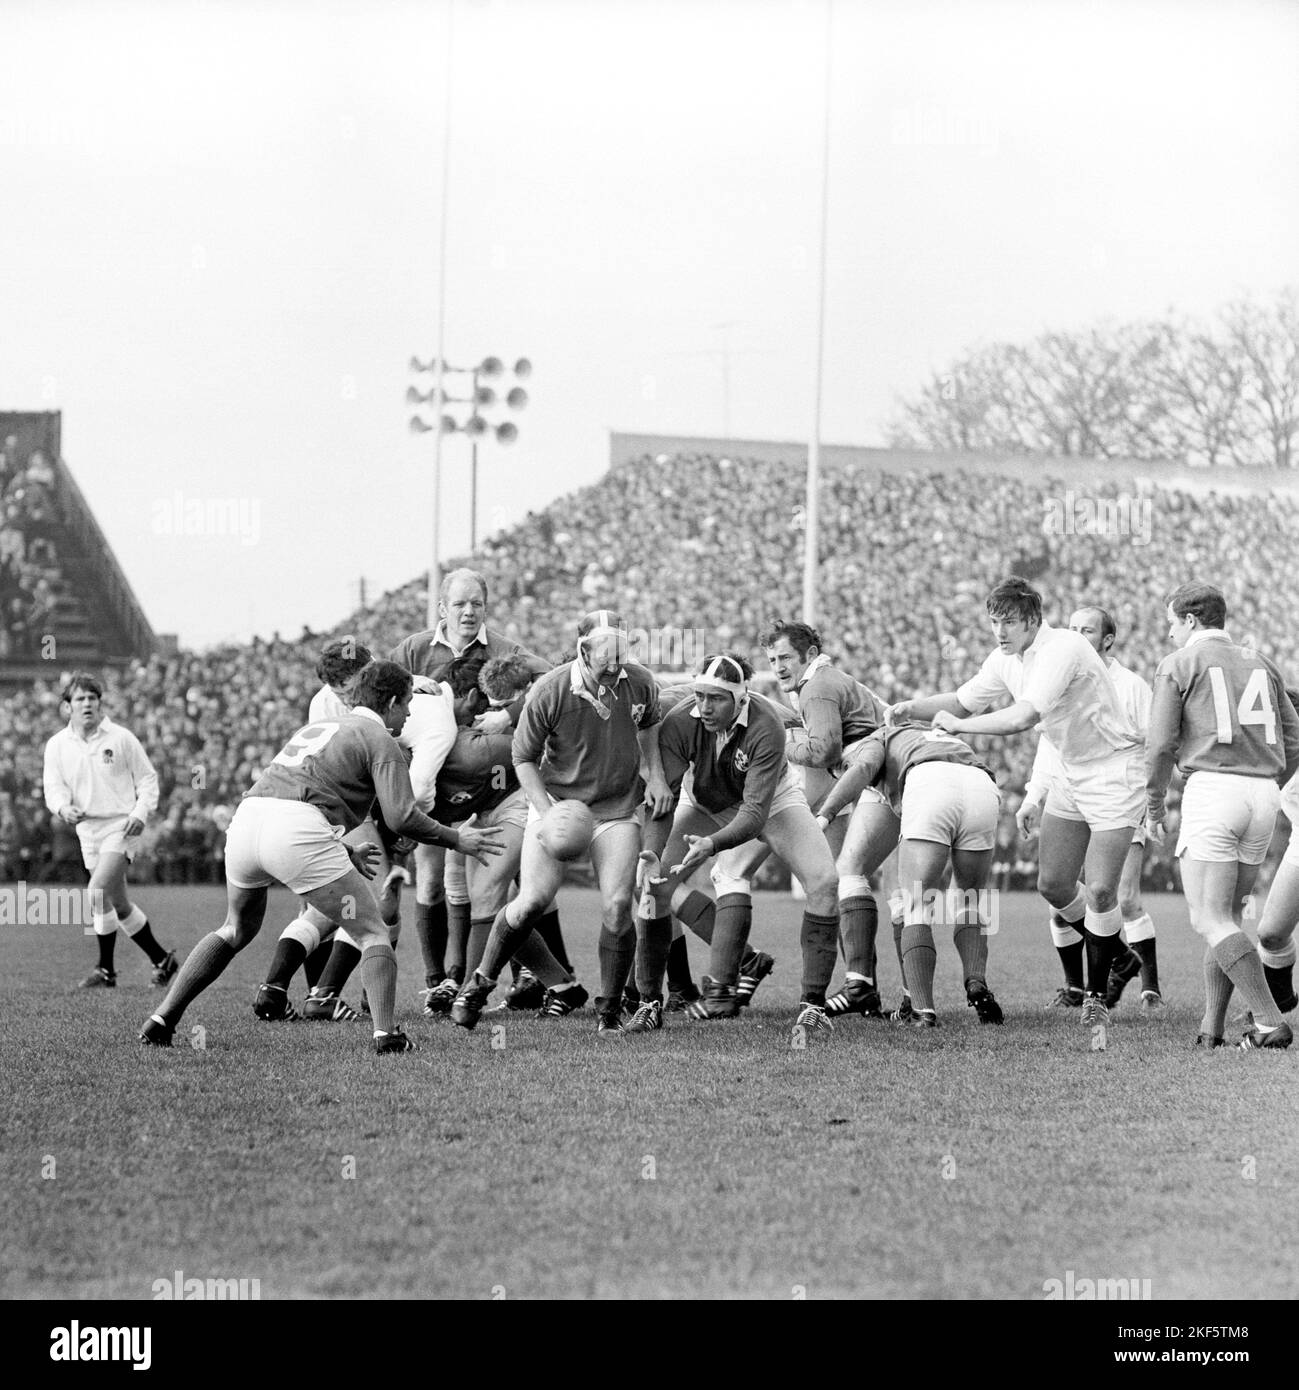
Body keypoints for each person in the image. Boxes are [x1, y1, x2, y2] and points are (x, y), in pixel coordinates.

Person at [139, 660, 504, 1054]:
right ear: (393, 701)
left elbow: (297, 792)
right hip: (296, 829)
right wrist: (457, 839)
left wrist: (342, 849)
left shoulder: (317, 727)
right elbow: (401, 817)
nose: (411, 713)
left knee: (234, 929)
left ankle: (162, 1018)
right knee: (373, 930)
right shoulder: (379, 738)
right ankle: (386, 1035)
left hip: (248, 821)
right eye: (408, 704)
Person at [888, 576, 1144, 1040]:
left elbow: (1024, 716)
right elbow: (963, 701)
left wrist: (959, 727)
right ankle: (1121, 956)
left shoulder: (1062, 648)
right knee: (1053, 884)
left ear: (1032, 620)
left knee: (1103, 891)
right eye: (993, 622)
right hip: (1069, 769)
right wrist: (912, 708)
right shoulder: (1006, 658)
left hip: (1114, 769)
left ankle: (1096, 999)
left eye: (1008, 621)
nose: (999, 631)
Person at [449, 610, 670, 1034]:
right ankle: (478, 985)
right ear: (583, 649)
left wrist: (656, 775)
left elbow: (649, 725)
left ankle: (609, 1012)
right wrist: (546, 813)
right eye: (607, 655)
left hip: (616, 808)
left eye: (622, 653)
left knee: (619, 903)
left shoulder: (639, 681)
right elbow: (522, 758)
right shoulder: (549, 690)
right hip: (557, 802)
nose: (615, 664)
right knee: (532, 899)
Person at [635, 653, 841, 1039]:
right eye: (700, 696)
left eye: (716, 699)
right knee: (653, 884)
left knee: (825, 882)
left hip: (772, 800)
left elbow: (754, 814)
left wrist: (711, 844)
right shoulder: (679, 720)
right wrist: (651, 853)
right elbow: (661, 800)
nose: (705, 707)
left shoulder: (766, 725)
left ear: (740, 698)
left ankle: (813, 1005)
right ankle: (648, 1003)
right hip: (702, 802)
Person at [388, 568, 552, 1008]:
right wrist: (408, 685)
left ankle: (525, 980)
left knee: (513, 879)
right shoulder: (413, 649)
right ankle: (437, 978)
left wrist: (510, 713)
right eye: (459, 604)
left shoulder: (504, 649)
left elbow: (551, 681)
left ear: (485, 607)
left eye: (476, 603)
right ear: (442, 609)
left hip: (491, 783)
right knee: (432, 880)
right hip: (430, 783)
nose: (468, 611)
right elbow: (377, 693)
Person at [1145, 583, 1299, 1049]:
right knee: (1229, 915)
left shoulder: (1178, 663)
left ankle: (1269, 1021)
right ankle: (1210, 1027)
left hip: (1214, 789)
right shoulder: (1262, 661)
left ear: (1190, 620)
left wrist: (1154, 805)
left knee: (1209, 918)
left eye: (1172, 621)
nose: (1169, 632)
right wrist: (1268, 780)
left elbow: (1160, 745)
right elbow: (1294, 739)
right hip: (1263, 793)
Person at [1019, 606, 1164, 1014]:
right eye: (1072, 628)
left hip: (1119, 793)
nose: (1077, 636)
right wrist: (1034, 796)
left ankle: (1139, 988)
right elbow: (1050, 743)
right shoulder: (1058, 675)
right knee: (1059, 893)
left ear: (1108, 639)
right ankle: (1077, 986)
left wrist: (1153, 805)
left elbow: (1154, 743)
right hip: (1072, 792)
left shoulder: (1131, 686)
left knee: (1117, 894)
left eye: (1088, 630)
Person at [814, 722, 1002, 1028]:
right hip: (981, 783)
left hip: (929, 782)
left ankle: (922, 1012)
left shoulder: (878, 737)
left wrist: (826, 813)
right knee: (969, 897)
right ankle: (976, 980)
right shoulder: (927, 733)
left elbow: (863, 767)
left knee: (915, 905)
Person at [758, 620, 896, 1019]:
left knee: (849, 875)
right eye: (772, 659)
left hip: (876, 780)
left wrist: (783, 743)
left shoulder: (816, 687)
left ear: (810, 656)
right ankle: (887, 995)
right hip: (879, 777)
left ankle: (862, 987)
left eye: (785, 657)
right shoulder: (829, 680)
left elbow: (823, 750)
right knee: (875, 887)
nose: (779, 666)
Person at [42, 671, 176, 989]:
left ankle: (106, 970)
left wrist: (141, 812)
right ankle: (162, 960)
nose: (87, 703)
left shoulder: (121, 738)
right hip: (87, 830)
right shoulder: (57, 745)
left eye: (92, 698)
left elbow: (147, 779)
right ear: (67, 706)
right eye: (80, 698)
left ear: (100, 703)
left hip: (121, 825)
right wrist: (62, 808)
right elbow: (53, 787)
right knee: (118, 904)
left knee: (97, 890)